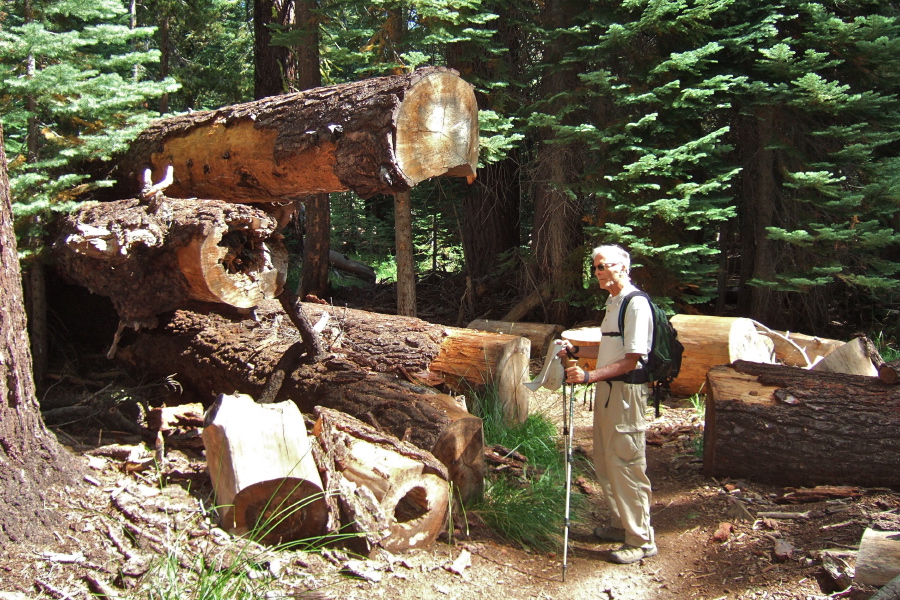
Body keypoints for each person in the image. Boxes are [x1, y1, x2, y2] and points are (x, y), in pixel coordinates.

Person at [559, 244, 657, 564]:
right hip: (608, 390)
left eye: (603, 267)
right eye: (595, 268)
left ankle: (640, 539)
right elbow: (610, 348)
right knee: (604, 459)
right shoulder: (613, 302)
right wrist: (575, 352)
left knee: (626, 463)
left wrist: (589, 378)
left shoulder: (636, 304)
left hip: (626, 394)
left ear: (623, 268)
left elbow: (632, 359)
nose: (597, 272)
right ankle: (622, 525)